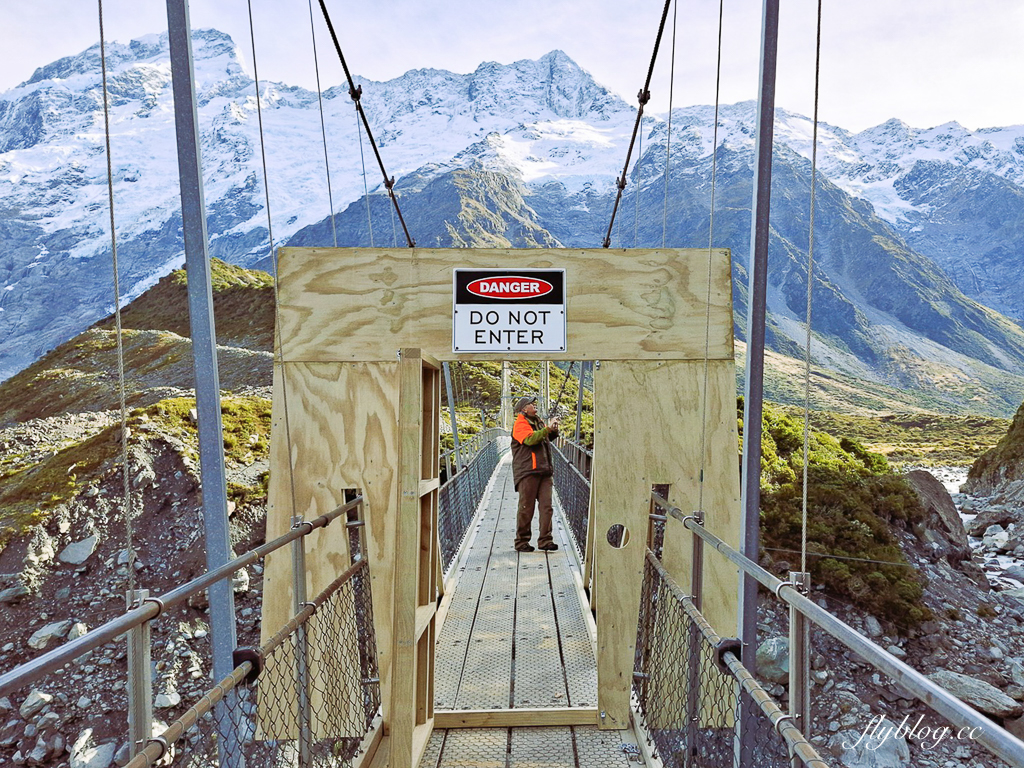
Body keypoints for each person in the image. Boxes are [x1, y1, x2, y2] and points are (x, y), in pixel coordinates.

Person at [510, 395, 560, 552]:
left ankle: (546, 540)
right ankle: (521, 542)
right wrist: (546, 429)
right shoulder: (520, 424)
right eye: (532, 404)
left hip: (544, 470)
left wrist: (552, 431)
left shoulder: (537, 421)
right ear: (524, 408)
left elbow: (544, 438)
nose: (535, 405)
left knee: (547, 507)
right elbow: (530, 440)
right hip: (528, 471)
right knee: (526, 507)